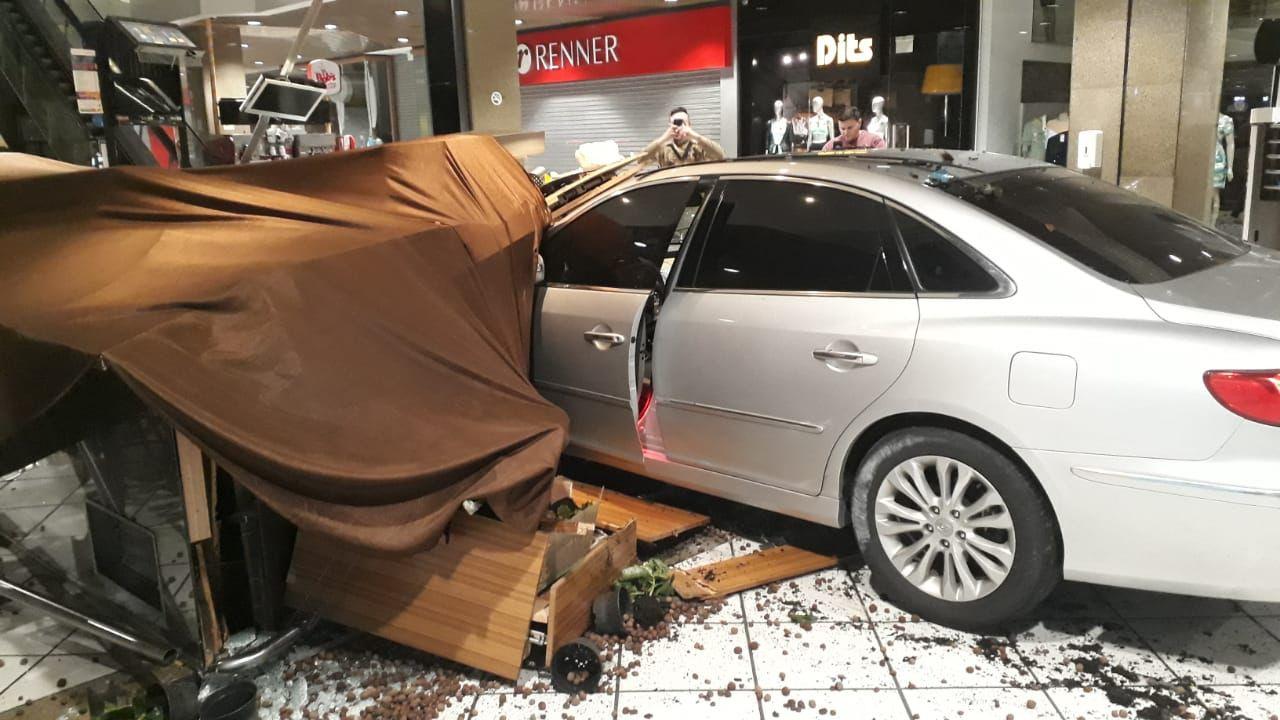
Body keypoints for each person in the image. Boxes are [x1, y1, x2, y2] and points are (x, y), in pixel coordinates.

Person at [642, 107, 726, 167]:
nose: (678, 127)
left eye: (682, 123)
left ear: (689, 125)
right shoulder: (664, 148)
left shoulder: (698, 146)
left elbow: (721, 156)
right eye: (675, 123)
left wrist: (695, 136)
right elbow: (641, 159)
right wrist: (663, 138)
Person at [822, 108, 887, 151]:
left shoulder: (874, 141)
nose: (846, 132)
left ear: (859, 123)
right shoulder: (830, 146)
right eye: (842, 129)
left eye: (850, 128)